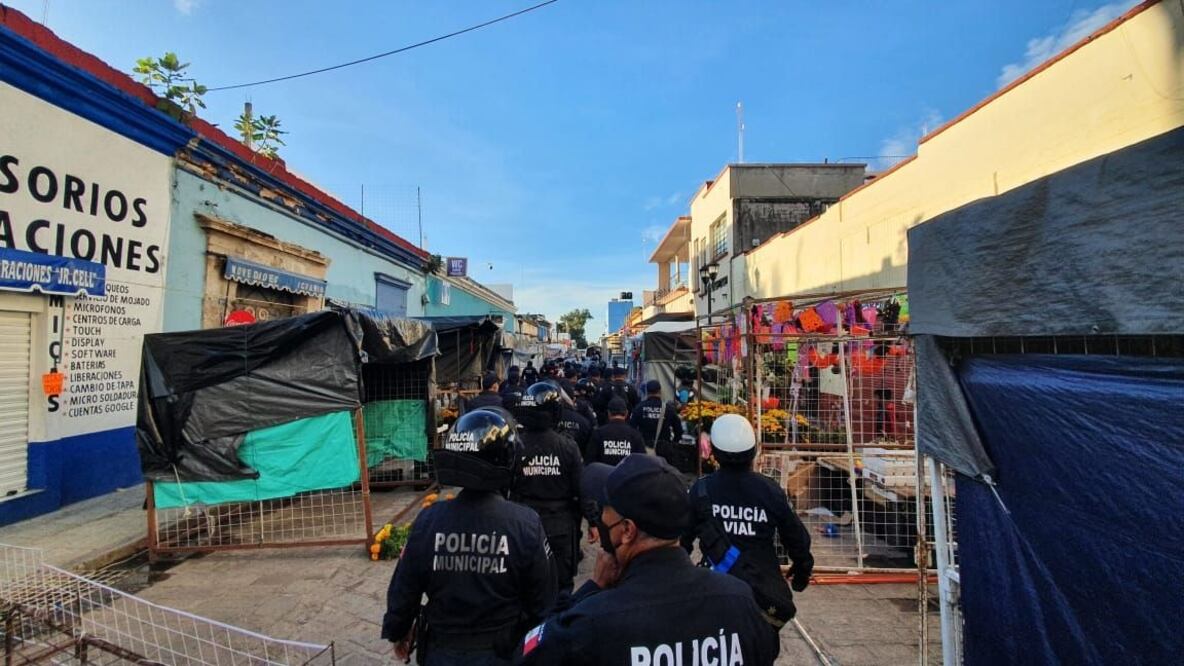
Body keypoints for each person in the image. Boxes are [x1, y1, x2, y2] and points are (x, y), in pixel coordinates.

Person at [515, 455, 781, 665]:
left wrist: (591, 588)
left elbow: (528, 654)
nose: (600, 519)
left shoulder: (592, 621)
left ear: (627, 530)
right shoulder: (741, 602)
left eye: (604, 511)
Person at [383, 408, 556, 665]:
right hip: (503, 652)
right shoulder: (525, 523)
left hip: (442, 652)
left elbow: (404, 588)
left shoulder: (429, 520)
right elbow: (544, 600)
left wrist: (398, 630)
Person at [681, 414, 814, 627]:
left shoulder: (701, 490)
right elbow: (797, 537)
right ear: (753, 452)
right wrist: (802, 570)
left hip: (715, 587)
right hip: (761, 593)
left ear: (713, 453)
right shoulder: (770, 491)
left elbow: (682, 540)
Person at [510, 383, 585, 595]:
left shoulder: (515, 446)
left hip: (523, 522)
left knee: (525, 585)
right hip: (559, 525)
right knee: (560, 587)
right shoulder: (568, 446)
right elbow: (581, 488)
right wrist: (594, 521)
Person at [630, 380, 684, 460]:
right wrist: (672, 444)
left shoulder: (639, 408)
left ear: (647, 391)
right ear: (660, 391)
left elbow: (632, 429)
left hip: (644, 449)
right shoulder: (669, 409)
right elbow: (679, 430)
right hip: (664, 451)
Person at [584, 398, 647, 465]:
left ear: (609, 413)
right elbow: (642, 463)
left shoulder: (598, 434)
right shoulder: (635, 435)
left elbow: (589, 462)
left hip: (603, 474)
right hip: (627, 475)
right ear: (626, 413)